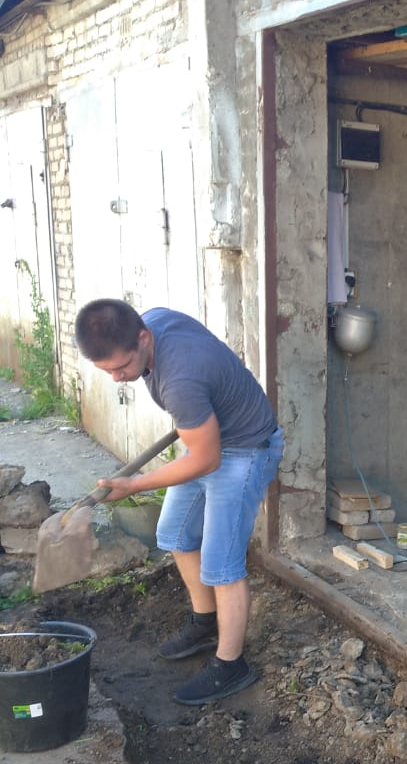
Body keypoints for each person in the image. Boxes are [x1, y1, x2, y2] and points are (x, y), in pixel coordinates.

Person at [74, 300, 283, 706]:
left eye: (122, 366)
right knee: (174, 533)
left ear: (143, 338)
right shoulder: (151, 322)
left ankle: (231, 664)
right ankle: (205, 622)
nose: (117, 378)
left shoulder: (181, 378)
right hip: (209, 440)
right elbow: (201, 444)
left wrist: (135, 484)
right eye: (106, 371)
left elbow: (207, 460)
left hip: (244, 450)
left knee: (222, 565)